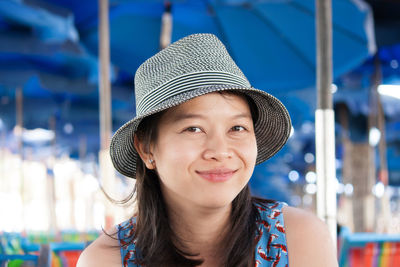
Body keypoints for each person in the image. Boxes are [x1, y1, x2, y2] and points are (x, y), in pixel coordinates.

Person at [77, 33, 338, 267]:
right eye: (194, 129)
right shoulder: (107, 260)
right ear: (147, 149)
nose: (220, 151)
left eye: (237, 128)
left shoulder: (299, 238)